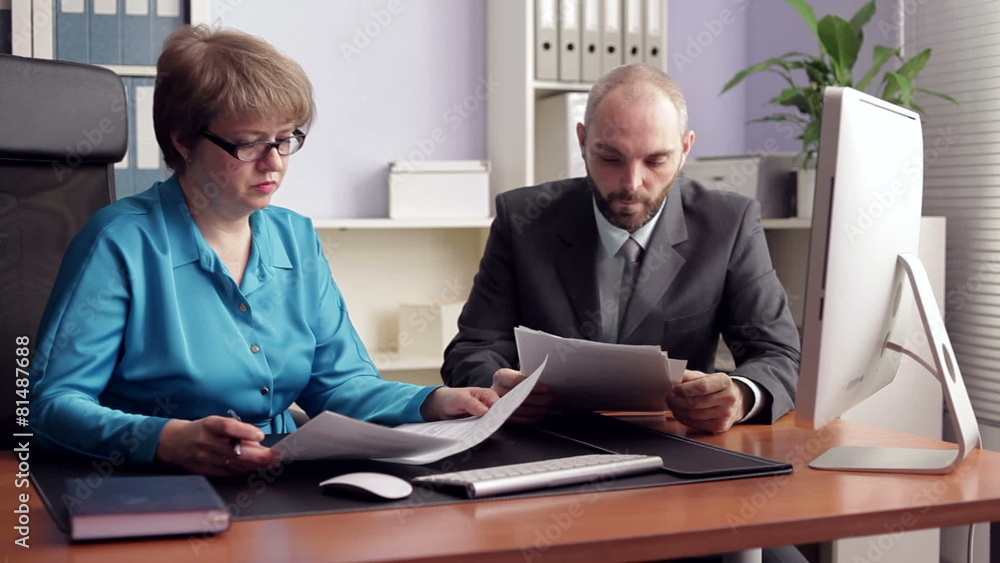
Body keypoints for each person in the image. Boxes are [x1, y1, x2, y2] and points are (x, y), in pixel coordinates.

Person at [29, 25, 497, 476]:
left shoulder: (296, 237)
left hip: (282, 476)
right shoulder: (120, 242)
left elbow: (339, 384)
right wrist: (166, 440)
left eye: (285, 139)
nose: (273, 162)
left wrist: (431, 401)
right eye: (249, 143)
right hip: (156, 485)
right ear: (183, 140)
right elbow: (51, 406)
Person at [442, 64, 800, 433]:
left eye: (656, 160)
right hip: (547, 438)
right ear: (583, 142)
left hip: (676, 439)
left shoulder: (729, 224)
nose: (631, 183)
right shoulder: (522, 219)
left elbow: (780, 355)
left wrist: (741, 396)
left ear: (685, 149)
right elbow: (471, 349)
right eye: (610, 158)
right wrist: (495, 388)